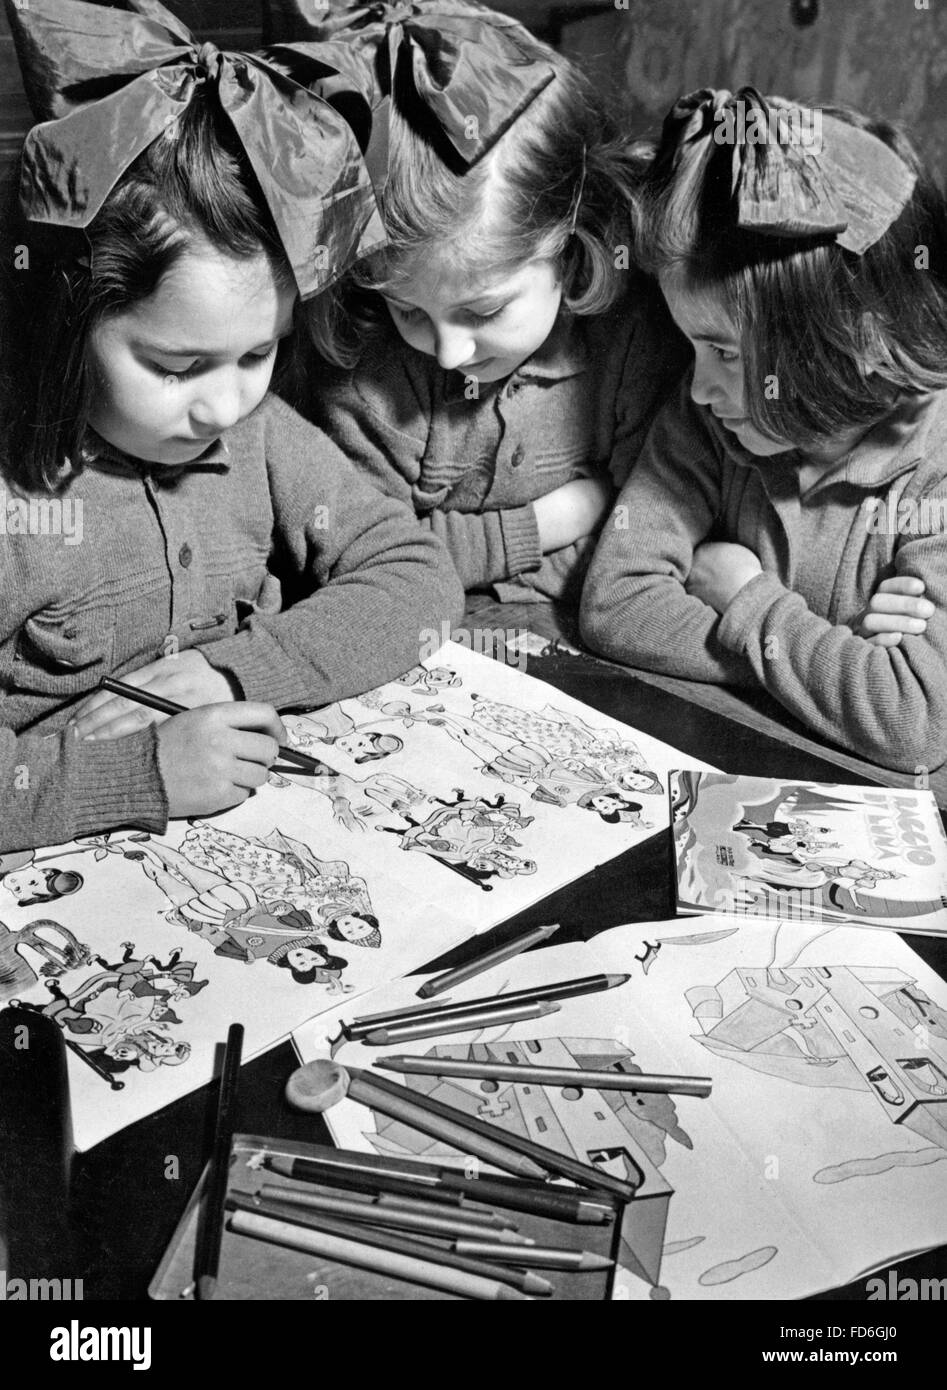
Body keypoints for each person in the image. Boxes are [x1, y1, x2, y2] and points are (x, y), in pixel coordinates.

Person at [0, 0, 462, 853]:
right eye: (176, 369)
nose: (223, 408)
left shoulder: (260, 433)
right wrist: (139, 775)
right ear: (66, 322)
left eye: (258, 356)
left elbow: (416, 574)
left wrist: (234, 671)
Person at [581, 87, 947, 772]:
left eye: (723, 352)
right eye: (691, 347)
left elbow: (912, 721)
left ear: (848, 341)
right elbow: (615, 604)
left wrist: (744, 598)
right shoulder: (712, 415)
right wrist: (833, 655)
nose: (694, 386)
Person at [295, 0, 688, 602]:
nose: (450, 354)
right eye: (410, 311)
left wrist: (453, 559)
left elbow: (643, 556)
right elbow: (360, 566)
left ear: (571, 237)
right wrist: (548, 524)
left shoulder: (638, 333)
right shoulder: (365, 368)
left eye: (484, 311)